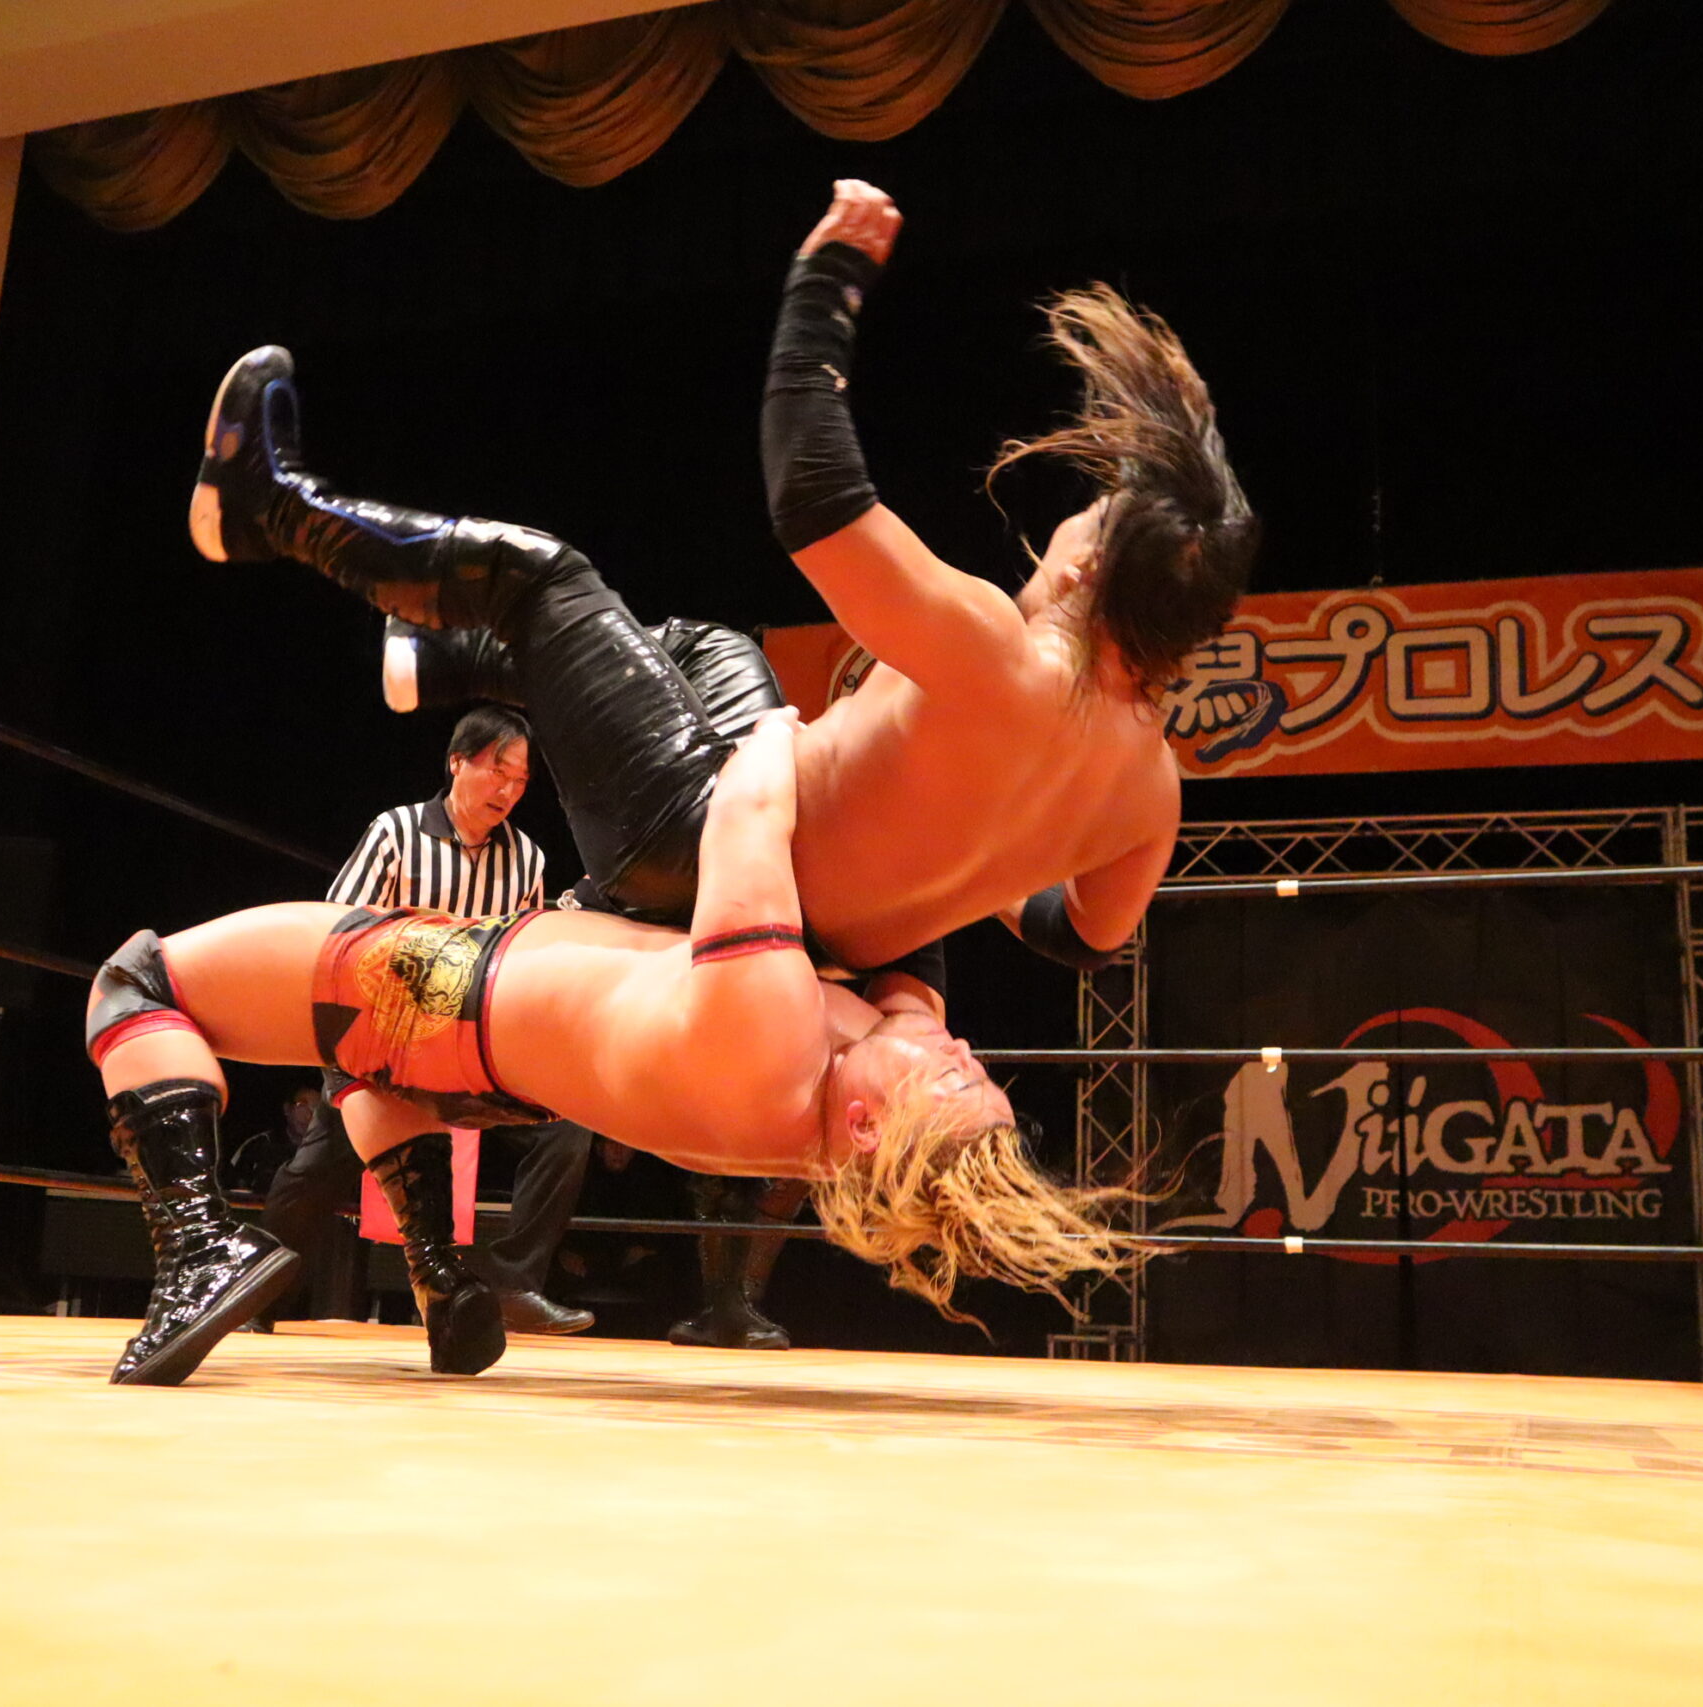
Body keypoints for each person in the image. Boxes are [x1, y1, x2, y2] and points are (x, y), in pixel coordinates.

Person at [186, 176, 1254, 984]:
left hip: (708, 846)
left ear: (1089, 562)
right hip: (797, 896)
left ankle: (267, 514)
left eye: (1088, 514)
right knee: (710, 646)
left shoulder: (998, 652)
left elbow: (814, 499)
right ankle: (445, 663)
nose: (1067, 525)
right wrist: (981, 867)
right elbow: (1083, 939)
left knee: (540, 578)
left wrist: (827, 285)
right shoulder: (1146, 797)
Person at [86, 711, 1137, 1387]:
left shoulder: (773, 1046)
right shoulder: (847, 1082)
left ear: (870, 1128)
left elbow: (747, 818)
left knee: (139, 981)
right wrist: (997, 870)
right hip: (493, 1058)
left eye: (953, 1078)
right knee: (370, 1069)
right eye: (975, 1068)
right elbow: (915, 952)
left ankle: (196, 1249)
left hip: (451, 983)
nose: (963, 1050)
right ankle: (446, 1284)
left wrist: (788, 731)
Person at [258, 705, 597, 1335]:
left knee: (565, 1126)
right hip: (379, 1037)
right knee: (320, 1169)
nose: (508, 790)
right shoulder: (396, 832)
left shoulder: (526, 857)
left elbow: (517, 959)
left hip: (468, 1048)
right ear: (457, 763)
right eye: (497, 771)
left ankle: (514, 1282)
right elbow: (336, 932)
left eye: (521, 780)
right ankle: (256, 1293)